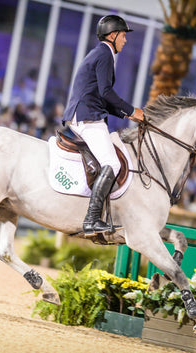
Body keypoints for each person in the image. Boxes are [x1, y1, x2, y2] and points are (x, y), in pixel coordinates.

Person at [62, 15, 144, 236]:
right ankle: (91, 220)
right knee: (113, 163)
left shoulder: (101, 53)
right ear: (112, 34)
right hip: (87, 116)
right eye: (123, 35)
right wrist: (131, 110)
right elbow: (106, 92)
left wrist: (128, 114)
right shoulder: (105, 54)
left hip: (86, 112)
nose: (125, 40)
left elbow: (102, 96)